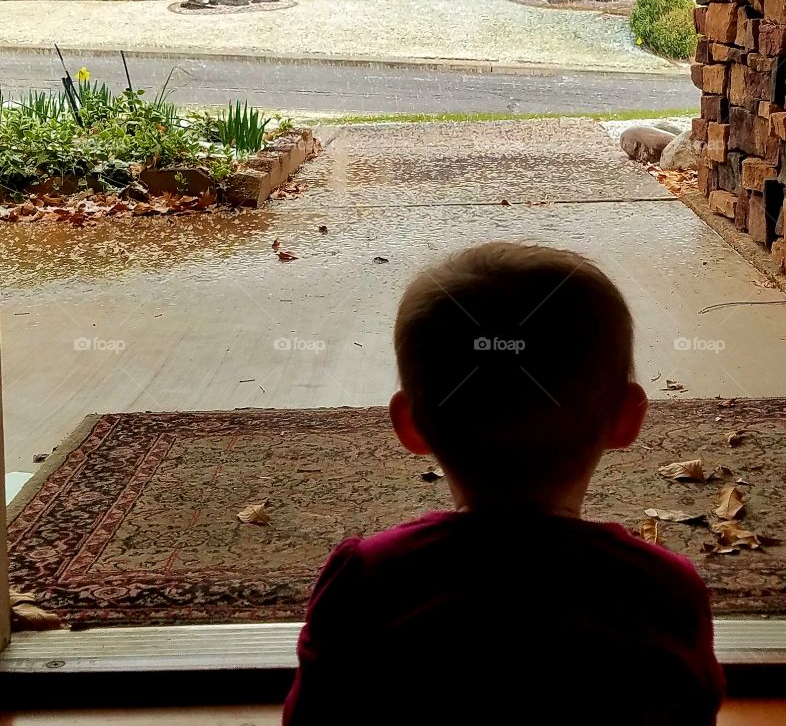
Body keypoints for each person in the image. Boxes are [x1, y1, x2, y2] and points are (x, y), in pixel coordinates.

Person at [284, 242, 724, 721]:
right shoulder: (663, 590)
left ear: (409, 425)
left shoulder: (366, 579)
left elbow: (311, 719)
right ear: (626, 418)